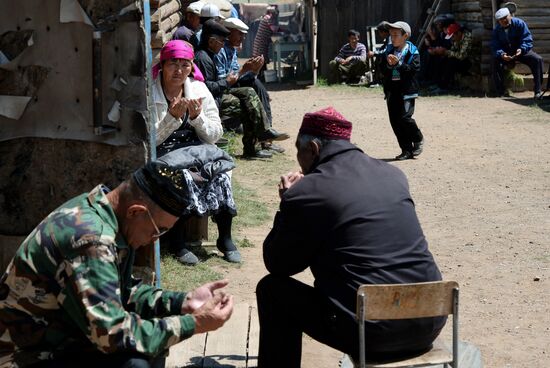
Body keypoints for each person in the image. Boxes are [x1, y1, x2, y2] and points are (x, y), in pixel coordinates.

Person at [256, 107, 446, 368]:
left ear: (312, 148)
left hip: (372, 334)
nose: (299, 161)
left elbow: (278, 264)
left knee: (272, 290)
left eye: (299, 152)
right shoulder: (393, 175)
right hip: (429, 321)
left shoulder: (309, 190)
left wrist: (287, 204)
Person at [0, 161, 234, 368]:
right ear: (136, 211)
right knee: (134, 359)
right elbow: (112, 335)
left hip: (62, 341)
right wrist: (193, 323)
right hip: (25, 357)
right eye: (158, 230)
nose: (155, 240)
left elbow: (122, 292)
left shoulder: (102, 211)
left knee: (148, 346)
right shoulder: (91, 240)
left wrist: (183, 302)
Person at [152, 39, 241, 265]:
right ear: (162, 65)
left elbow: (215, 134)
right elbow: (149, 140)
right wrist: (171, 119)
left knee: (220, 173)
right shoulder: (150, 93)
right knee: (182, 178)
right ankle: (178, 243)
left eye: (185, 65)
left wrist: (196, 117)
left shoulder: (199, 90)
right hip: (165, 152)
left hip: (197, 149)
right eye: (173, 64)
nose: (179, 71)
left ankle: (225, 238)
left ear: (192, 67)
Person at [194, 19, 289, 159]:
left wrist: (252, 71)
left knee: (251, 92)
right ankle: (256, 142)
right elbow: (208, 88)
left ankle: (259, 140)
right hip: (212, 101)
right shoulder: (203, 58)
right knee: (247, 103)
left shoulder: (210, 54)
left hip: (220, 94)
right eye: (221, 41)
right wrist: (234, 76)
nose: (222, 44)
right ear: (211, 41)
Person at [214, 17, 283, 154]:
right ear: (228, 32)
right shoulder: (220, 50)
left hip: (231, 85)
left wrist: (255, 70)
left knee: (256, 84)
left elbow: (238, 76)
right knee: (251, 93)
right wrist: (244, 70)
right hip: (220, 89)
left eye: (244, 35)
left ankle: (266, 135)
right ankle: (265, 137)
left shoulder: (232, 50)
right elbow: (224, 81)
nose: (243, 38)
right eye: (239, 34)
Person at [380, 21, 424, 160]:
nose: (392, 38)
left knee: (405, 118)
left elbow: (413, 70)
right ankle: (406, 150)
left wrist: (398, 64)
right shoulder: (387, 50)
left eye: (395, 35)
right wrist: (388, 64)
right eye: (391, 35)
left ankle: (418, 138)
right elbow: (381, 70)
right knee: (395, 121)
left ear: (405, 36)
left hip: (407, 90)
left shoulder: (412, 51)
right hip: (392, 90)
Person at [491, 7, 544, 100]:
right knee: (495, 61)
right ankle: (501, 92)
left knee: (537, 59)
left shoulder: (519, 23)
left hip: (520, 51)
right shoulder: (497, 30)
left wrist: (522, 49)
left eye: (505, 17)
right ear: (498, 21)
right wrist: (502, 54)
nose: (504, 20)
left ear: (510, 15)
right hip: (506, 53)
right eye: (501, 19)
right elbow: (495, 45)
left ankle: (538, 91)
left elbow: (527, 39)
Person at [430, 22, 473, 92]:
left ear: (458, 33)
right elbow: (453, 50)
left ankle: (444, 87)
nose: (452, 39)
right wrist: (440, 51)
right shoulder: (457, 38)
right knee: (442, 59)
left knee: (452, 62)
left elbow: (462, 56)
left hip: (471, 62)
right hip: (461, 59)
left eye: (453, 36)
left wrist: (446, 52)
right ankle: (438, 84)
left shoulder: (467, 38)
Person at [252, 5, 279, 80]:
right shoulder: (268, 18)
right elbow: (273, 29)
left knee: (262, 60)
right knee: (261, 60)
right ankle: (261, 78)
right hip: (261, 42)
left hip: (261, 42)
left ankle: (262, 77)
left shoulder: (266, 17)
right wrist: (282, 30)